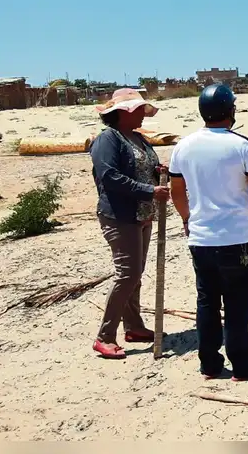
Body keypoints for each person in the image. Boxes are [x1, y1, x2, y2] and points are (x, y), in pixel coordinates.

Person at [168, 83, 248, 381]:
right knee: (237, 304)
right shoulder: (240, 144)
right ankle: (243, 365)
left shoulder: (184, 146)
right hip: (235, 240)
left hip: (200, 240)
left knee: (207, 302)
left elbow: (178, 189)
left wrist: (187, 218)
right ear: (230, 111)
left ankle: (210, 365)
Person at [90, 88, 171, 359]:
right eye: (138, 110)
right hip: (120, 215)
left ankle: (134, 326)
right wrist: (149, 191)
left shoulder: (137, 138)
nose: (143, 115)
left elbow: (146, 166)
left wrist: (159, 173)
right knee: (127, 274)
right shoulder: (107, 140)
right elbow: (109, 176)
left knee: (135, 274)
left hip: (142, 214)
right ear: (124, 113)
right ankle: (105, 336)